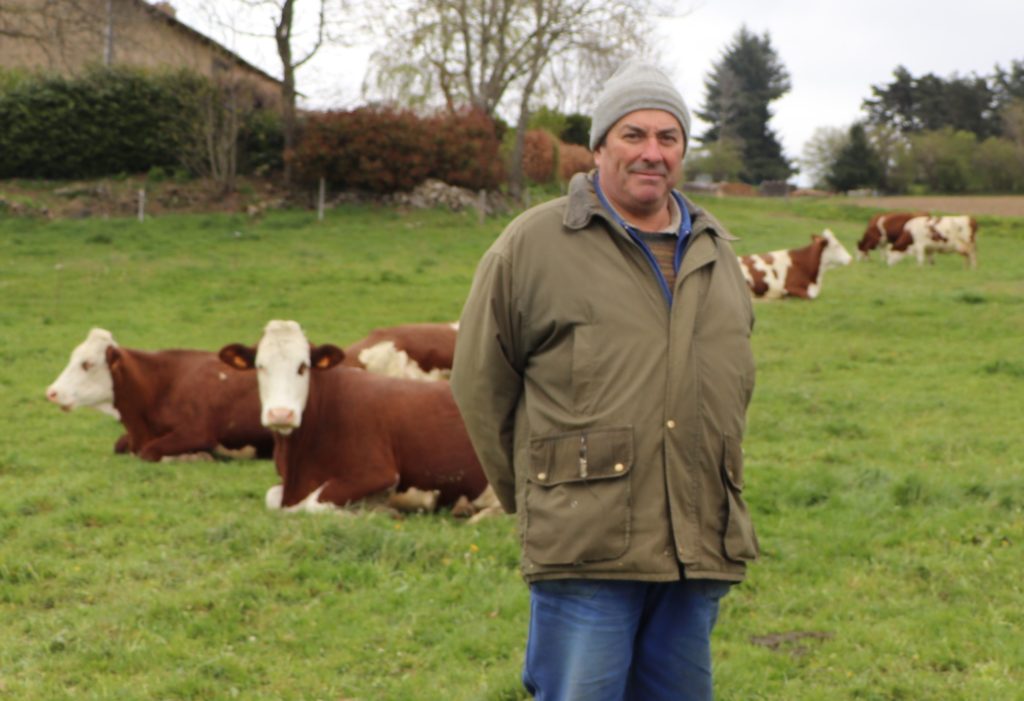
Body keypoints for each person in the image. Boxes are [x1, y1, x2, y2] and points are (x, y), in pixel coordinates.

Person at [450, 60, 759, 701]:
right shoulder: (533, 245)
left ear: (682, 151)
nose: (652, 153)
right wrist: (545, 498)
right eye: (633, 135)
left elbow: (734, 390)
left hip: (694, 543)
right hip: (585, 547)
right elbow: (481, 387)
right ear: (598, 148)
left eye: (667, 138)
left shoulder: (717, 253)